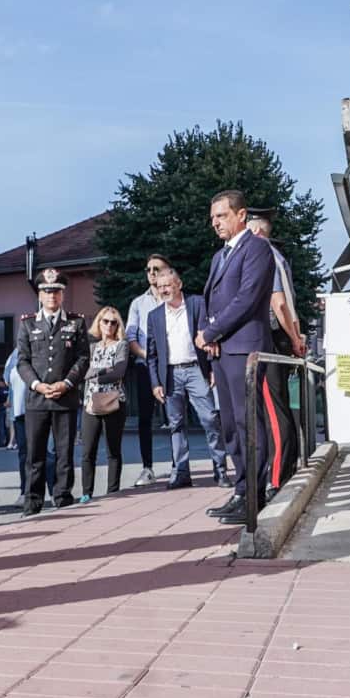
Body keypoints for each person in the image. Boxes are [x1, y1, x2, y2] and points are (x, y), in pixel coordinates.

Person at [198, 189, 276, 525]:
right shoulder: (220, 256)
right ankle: (242, 490)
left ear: (241, 215)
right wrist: (208, 334)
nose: (215, 222)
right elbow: (211, 301)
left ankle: (255, 496)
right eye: (212, 217)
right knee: (229, 424)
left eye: (222, 216)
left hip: (245, 348)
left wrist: (211, 332)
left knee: (248, 423)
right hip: (223, 350)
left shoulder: (256, 248)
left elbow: (247, 298)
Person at [16, 268, 87, 514]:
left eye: (56, 291)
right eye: (47, 292)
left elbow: (83, 358)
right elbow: (22, 361)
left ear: (62, 294)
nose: (52, 296)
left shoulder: (76, 322)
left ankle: (63, 497)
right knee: (34, 454)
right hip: (37, 398)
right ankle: (32, 501)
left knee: (64, 453)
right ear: (39, 295)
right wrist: (37, 384)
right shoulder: (27, 323)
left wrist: (66, 383)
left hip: (65, 397)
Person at [143, 268, 219, 489]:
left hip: (196, 370)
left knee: (210, 419)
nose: (163, 290)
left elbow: (209, 337)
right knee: (175, 425)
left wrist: (212, 367)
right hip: (170, 374)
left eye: (167, 285)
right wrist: (155, 383)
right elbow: (151, 354)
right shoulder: (154, 316)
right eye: (159, 287)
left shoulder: (197, 304)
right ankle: (181, 472)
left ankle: (220, 468)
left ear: (179, 285)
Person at [247, 212, 307, 489]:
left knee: (273, 409)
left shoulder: (265, 255)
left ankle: (277, 476)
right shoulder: (278, 256)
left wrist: (293, 337)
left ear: (256, 232)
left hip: (272, 336)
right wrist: (295, 336)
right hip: (282, 336)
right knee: (279, 405)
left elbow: (279, 303)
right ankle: (287, 466)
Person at [122, 254, 169, 487]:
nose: (151, 273)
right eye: (148, 269)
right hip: (145, 366)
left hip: (172, 365)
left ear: (167, 271)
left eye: (156, 269)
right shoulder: (138, 304)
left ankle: (180, 465)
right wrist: (148, 357)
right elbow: (131, 337)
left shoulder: (174, 299)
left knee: (176, 416)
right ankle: (147, 468)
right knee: (145, 418)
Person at [78, 305, 131, 501]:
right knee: (87, 451)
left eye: (113, 322)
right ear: (99, 323)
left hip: (114, 402)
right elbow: (83, 372)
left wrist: (95, 375)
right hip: (90, 404)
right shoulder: (91, 347)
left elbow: (118, 372)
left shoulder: (121, 345)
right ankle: (86, 493)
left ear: (118, 325)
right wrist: (105, 369)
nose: (109, 325)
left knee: (113, 450)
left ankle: (113, 492)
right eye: (105, 321)